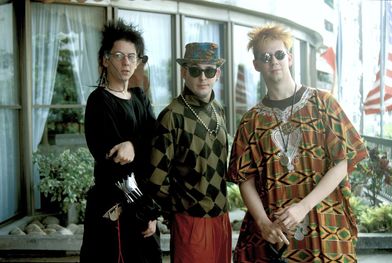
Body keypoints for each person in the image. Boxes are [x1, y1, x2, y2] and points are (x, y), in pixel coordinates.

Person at [227, 24, 368, 262]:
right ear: (257, 65)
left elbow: (343, 161)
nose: (274, 61)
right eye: (265, 57)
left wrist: (303, 207)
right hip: (274, 231)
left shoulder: (324, 103)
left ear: (289, 58)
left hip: (323, 224)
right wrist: (262, 223)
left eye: (279, 54)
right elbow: (244, 178)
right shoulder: (251, 120)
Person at [80, 19, 162, 263]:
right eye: (119, 55)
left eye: (131, 56)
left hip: (142, 204)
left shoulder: (139, 97)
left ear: (137, 61)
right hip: (112, 206)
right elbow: (117, 164)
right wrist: (146, 210)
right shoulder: (99, 101)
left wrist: (134, 144)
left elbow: (157, 139)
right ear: (106, 60)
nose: (126, 62)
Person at [147, 42, 232, 263]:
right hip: (190, 221)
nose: (202, 77)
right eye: (195, 70)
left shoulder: (218, 110)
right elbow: (157, 180)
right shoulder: (171, 116)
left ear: (217, 74)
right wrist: (178, 212)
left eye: (209, 70)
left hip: (221, 218)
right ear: (184, 73)